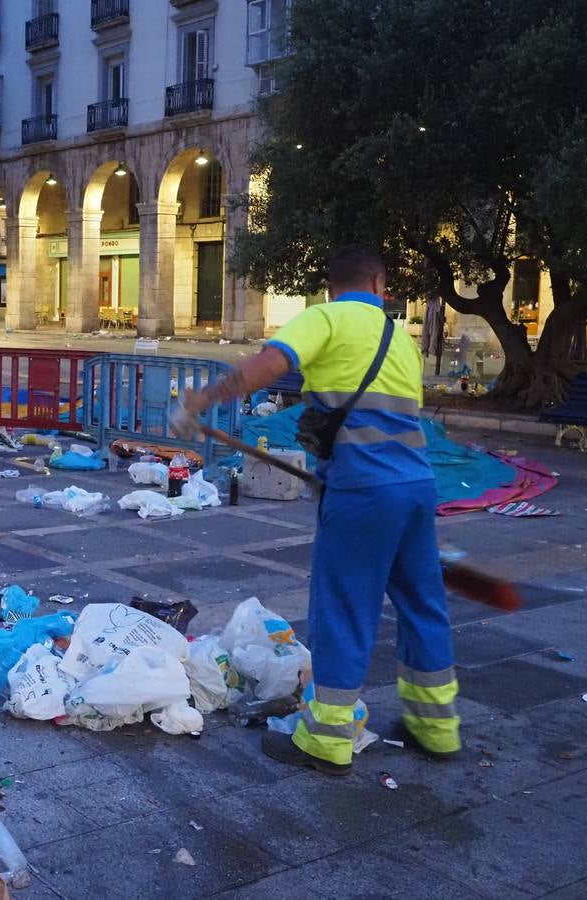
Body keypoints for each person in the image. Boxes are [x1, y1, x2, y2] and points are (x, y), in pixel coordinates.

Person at [172, 245, 460, 775]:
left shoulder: (325, 318)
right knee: (424, 604)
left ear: (332, 287)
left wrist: (202, 400)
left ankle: (326, 739)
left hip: (361, 492)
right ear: (379, 285)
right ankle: (437, 728)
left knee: (344, 609)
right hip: (417, 486)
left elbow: (270, 364)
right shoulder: (400, 337)